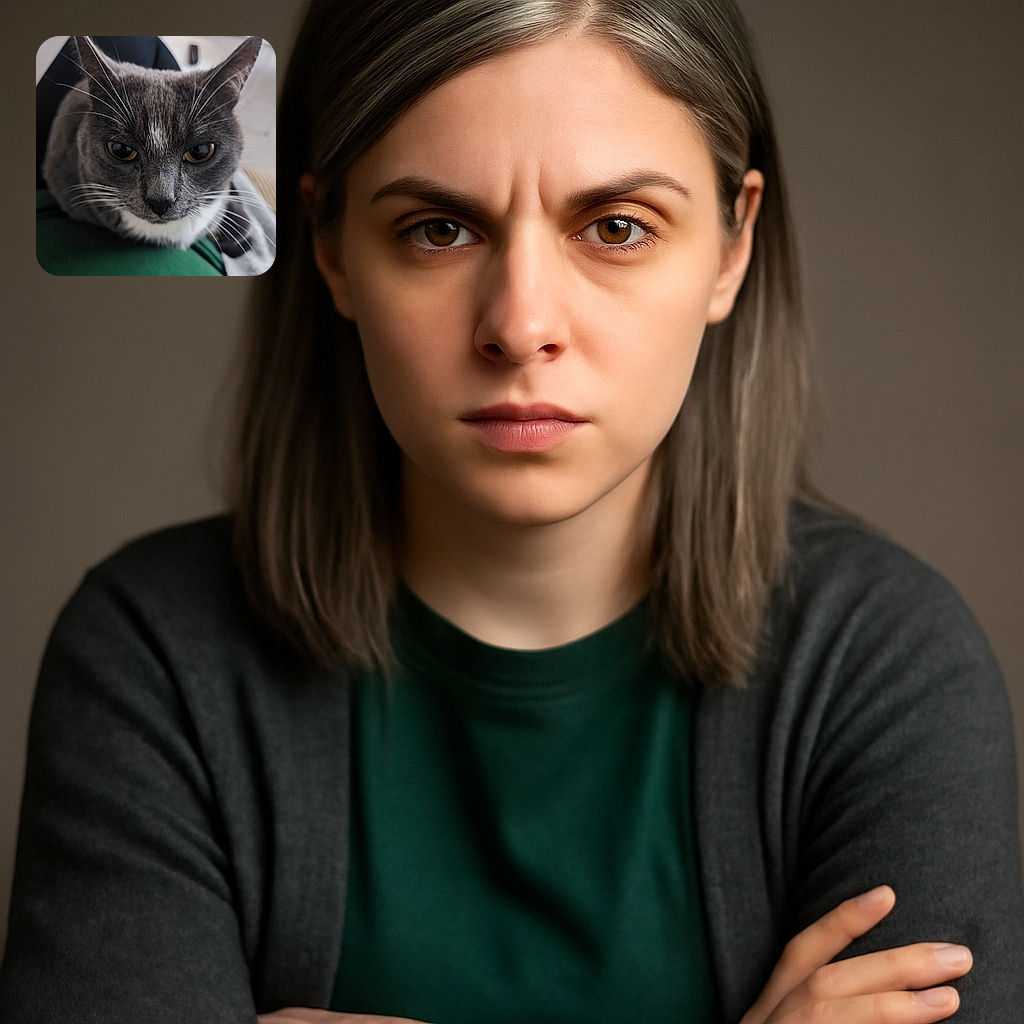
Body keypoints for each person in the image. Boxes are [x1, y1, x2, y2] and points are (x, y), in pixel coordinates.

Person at [2, 0, 1022, 1021]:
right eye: (437, 228)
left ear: (729, 244)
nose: (521, 324)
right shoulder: (152, 659)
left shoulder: (885, 664)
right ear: (329, 245)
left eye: (616, 227)